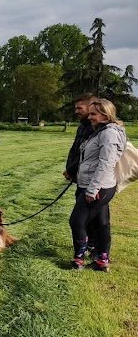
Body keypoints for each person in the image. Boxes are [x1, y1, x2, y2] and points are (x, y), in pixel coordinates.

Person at [69, 98, 126, 271]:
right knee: (101, 222)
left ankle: (79, 259)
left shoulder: (109, 133)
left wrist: (92, 189)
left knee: (77, 221)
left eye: (93, 114)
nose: (89, 117)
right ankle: (102, 261)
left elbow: (106, 163)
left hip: (98, 186)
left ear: (105, 115)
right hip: (94, 184)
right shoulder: (100, 131)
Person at [64, 93, 95, 182]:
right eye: (76, 108)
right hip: (80, 176)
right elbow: (74, 149)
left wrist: (70, 170)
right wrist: (69, 168)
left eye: (80, 108)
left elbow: (87, 154)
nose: (76, 111)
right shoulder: (82, 127)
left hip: (91, 179)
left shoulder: (95, 128)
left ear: (90, 108)